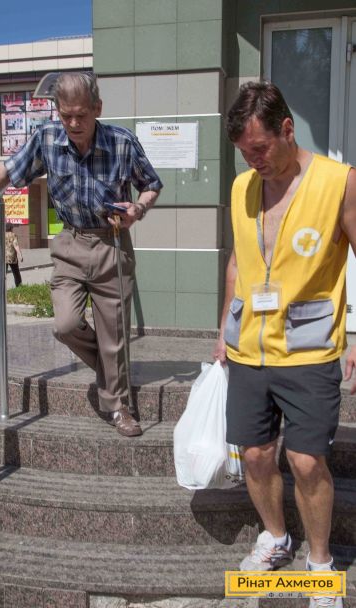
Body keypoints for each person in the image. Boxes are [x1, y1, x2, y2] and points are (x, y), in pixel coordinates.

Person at [0, 72, 163, 437]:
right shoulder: (47, 138)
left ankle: (118, 406)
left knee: (114, 333)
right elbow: (7, 171)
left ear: (98, 108)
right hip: (69, 243)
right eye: (66, 116)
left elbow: (152, 184)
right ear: (58, 111)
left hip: (112, 243)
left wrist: (138, 209)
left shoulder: (122, 142)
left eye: (82, 115)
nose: (74, 123)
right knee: (65, 325)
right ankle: (110, 371)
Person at [213, 81, 356, 608]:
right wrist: (222, 331)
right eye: (244, 153)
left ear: (287, 129)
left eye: (260, 148)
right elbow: (238, 261)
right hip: (249, 348)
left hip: (309, 350)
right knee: (254, 454)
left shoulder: (339, 182)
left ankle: (320, 566)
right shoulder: (241, 188)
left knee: (306, 462)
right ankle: (275, 537)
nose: (253, 161)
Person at [0, 222, 23, 287]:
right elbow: (16, 246)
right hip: (12, 257)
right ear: (11, 228)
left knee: (3, 273)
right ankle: (19, 286)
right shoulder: (13, 235)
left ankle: (2, 286)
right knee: (16, 272)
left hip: (3, 257)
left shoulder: (1, 235)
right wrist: (20, 255)